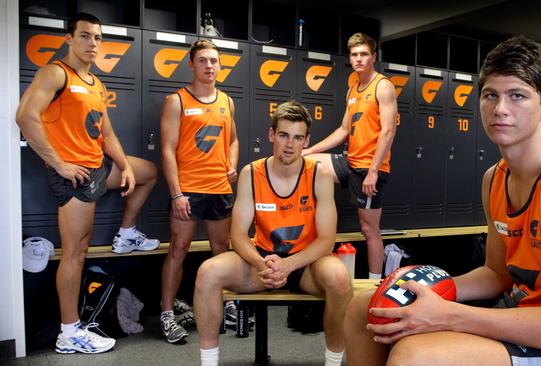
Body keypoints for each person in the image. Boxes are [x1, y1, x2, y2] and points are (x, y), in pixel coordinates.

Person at [343, 35, 541, 366]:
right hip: (527, 317)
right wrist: (429, 290)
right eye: (491, 95)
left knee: (414, 357)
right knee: (368, 309)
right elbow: (497, 274)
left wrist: (447, 314)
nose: (500, 109)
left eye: (517, 96)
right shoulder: (495, 179)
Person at [15, 12, 159, 354]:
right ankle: (69, 331)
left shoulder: (96, 82)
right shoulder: (55, 73)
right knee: (75, 253)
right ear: (70, 39)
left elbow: (106, 133)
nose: (92, 43)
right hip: (74, 176)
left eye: (97, 37)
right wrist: (60, 164)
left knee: (147, 172)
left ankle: (126, 235)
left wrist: (124, 167)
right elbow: (25, 116)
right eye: (84, 36)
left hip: (98, 166)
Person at [193, 101, 352, 366]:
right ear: (271, 135)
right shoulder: (251, 174)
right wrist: (261, 262)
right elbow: (238, 235)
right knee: (207, 272)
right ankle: (208, 363)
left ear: (306, 140)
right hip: (262, 263)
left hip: (305, 264)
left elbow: (326, 240)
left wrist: (288, 265)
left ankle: (333, 363)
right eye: (283, 135)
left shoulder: (319, 175)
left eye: (298, 137)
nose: (290, 144)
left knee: (338, 277)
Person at [159, 39, 239, 343]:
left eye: (214, 61)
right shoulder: (177, 100)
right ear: (191, 64)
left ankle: (229, 304)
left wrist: (231, 164)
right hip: (189, 190)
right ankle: (167, 314)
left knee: (223, 249)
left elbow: (233, 140)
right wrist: (177, 193)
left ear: (220, 65)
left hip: (220, 188)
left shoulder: (227, 101)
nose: (209, 66)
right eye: (203, 60)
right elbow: (167, 150)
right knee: (178, 250)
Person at [302, 32, 397, 279]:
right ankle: (309, 227)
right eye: (355, 55)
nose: (359, 59)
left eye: (364, 54)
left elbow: (388, 130)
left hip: (370, 168)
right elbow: (344, 130)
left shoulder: (383, 86)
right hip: (351, 162)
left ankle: (375, 284)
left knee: (370, 230)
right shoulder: (353, 87)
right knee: (306, 163)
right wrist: (310, 150)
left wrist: (374, 171)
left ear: (373, 56)